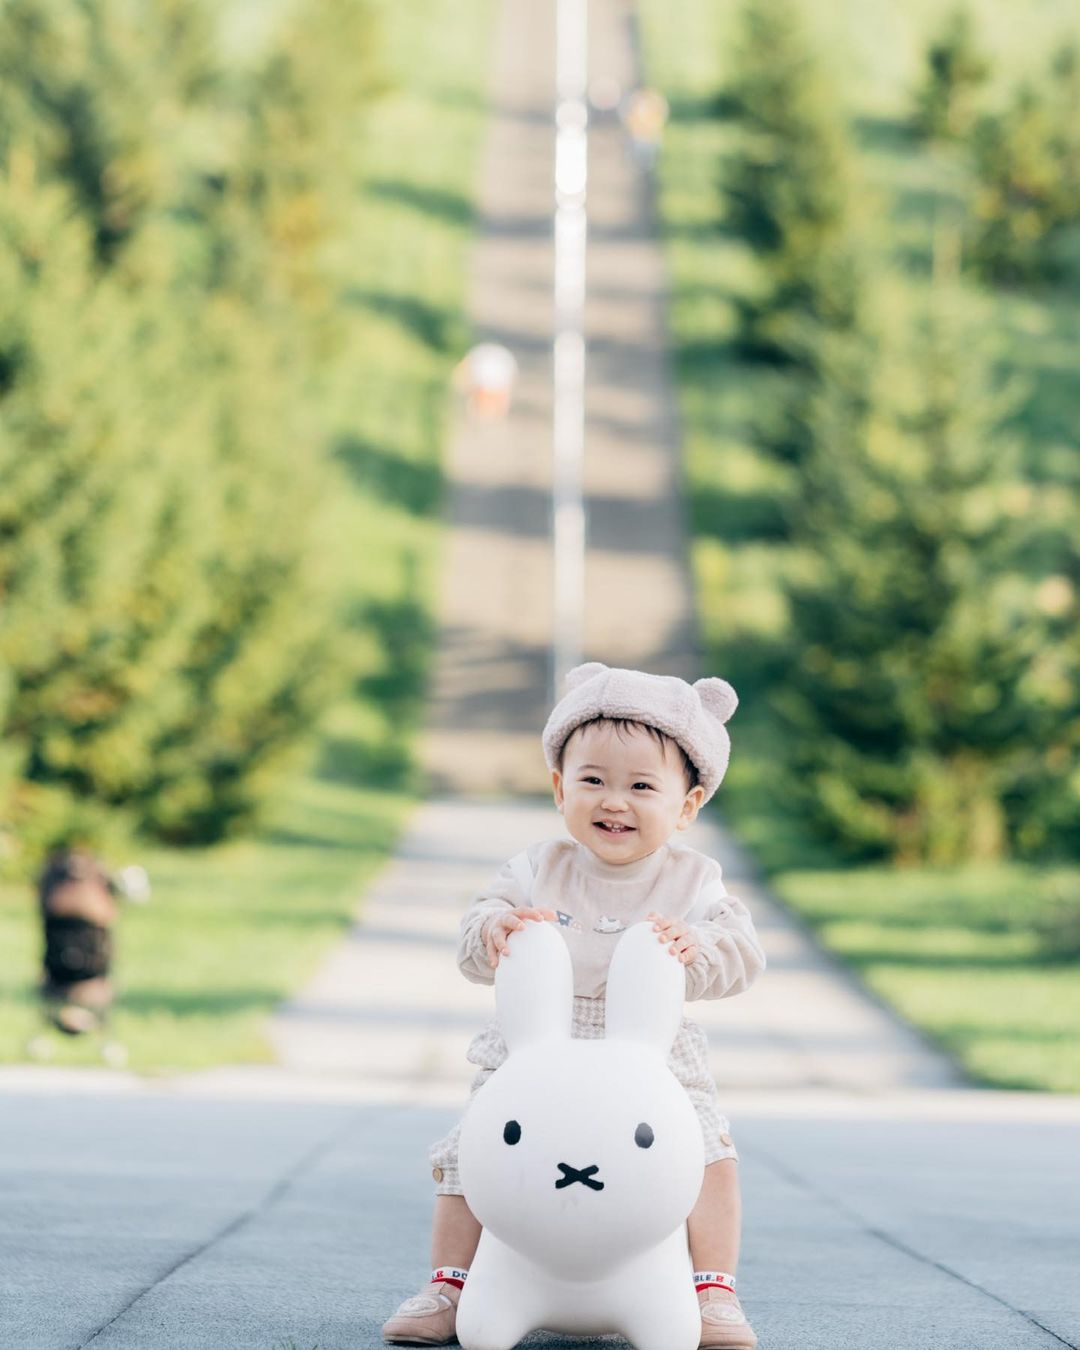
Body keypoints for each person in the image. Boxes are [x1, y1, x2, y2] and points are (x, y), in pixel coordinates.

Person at [382, 663, 766, 1349]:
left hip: (653, 1048)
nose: (614, 801)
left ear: (687, 805)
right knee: (475, 1149)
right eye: (593, 780)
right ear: (561, 788)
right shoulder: (536, 868)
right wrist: (493, 931)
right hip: (539, 1038)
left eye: (642, 786)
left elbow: (743, 954)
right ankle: (450, 1282)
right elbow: (477, 937)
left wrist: (698, 945)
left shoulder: (694, 880)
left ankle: (713, 1290)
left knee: (709, 1151)